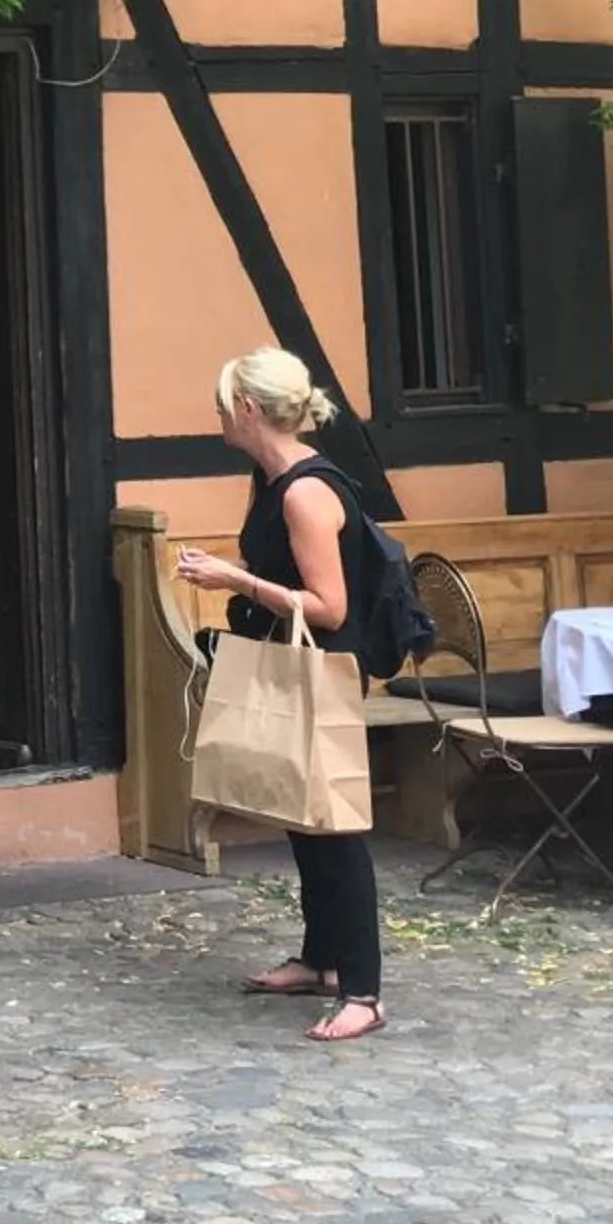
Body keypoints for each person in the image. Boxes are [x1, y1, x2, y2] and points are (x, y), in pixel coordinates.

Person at [172, 346, 388, 1046]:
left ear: (247, 410)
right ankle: (321, 959)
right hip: (293, 661)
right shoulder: (269, 481)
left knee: (336, 826)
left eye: (221, 403)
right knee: (301, 811)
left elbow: (327, 605)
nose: (216, 415)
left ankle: (363, 990)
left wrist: (234, 581)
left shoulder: (303, 491)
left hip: (323, 664)